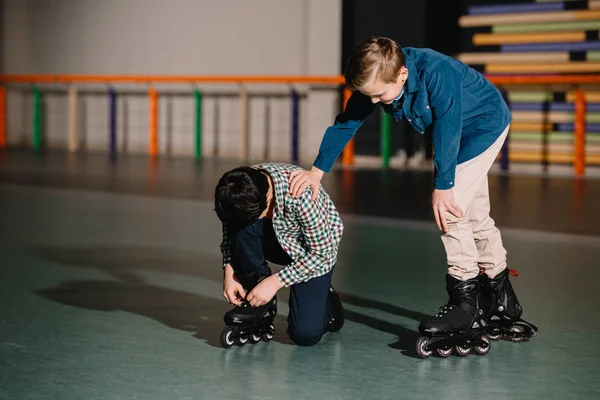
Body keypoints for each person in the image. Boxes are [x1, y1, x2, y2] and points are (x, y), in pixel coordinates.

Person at [288, 37, 537, 355]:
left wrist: (443, 185)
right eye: (369, 95)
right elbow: (347, 123)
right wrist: (316, 172)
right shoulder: (381, 75)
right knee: (474, 214)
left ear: (402, 75)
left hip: (483, 125)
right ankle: (501, 301)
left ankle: (465, 305)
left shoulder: (436, 71)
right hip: (457, 133)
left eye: (379, 94)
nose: (375, 101)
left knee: (451, 207)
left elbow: (448, 124)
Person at [214, 162, 345, 347]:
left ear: (268, 197)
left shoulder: (301, 194)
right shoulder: (238, 189)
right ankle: (259, 304)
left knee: (304, 334)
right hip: (277, 239)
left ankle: (328, 302)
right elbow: (230, 231)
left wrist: (274, 282)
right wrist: (230, 269)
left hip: (313, 254)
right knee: (241, 226)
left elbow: (322, 253)